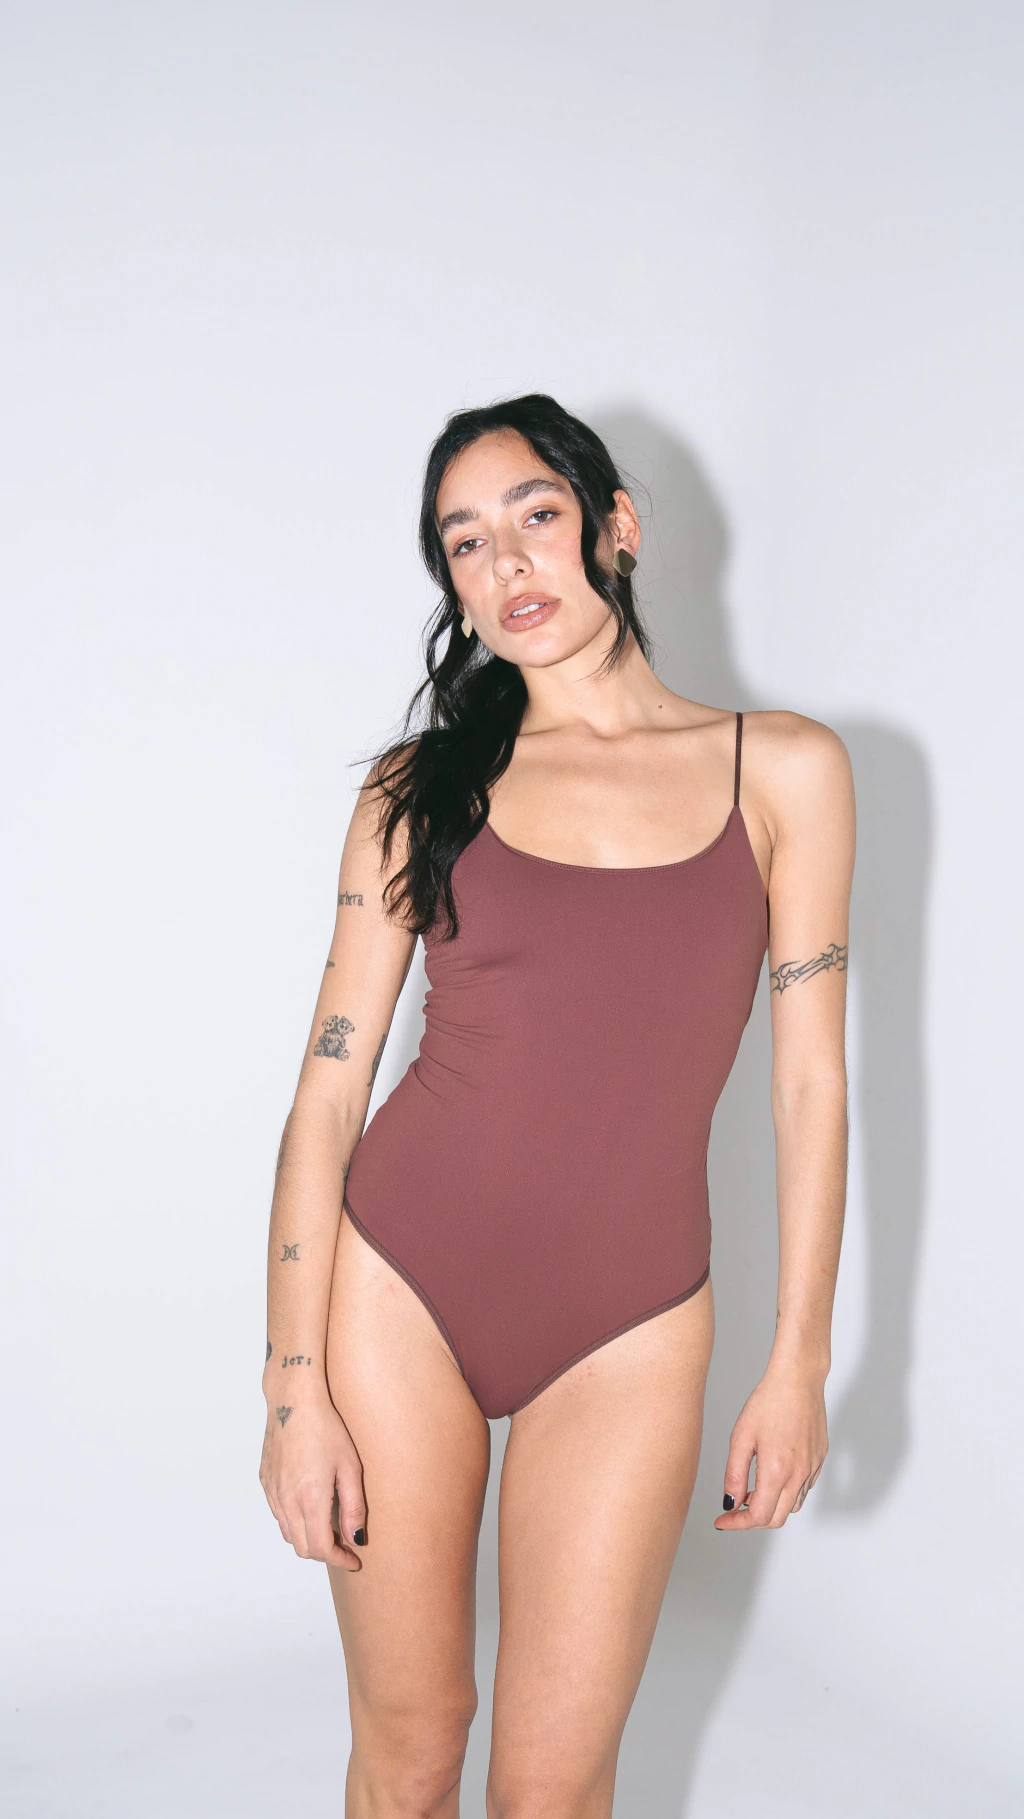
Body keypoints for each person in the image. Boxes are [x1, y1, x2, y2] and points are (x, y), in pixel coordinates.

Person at [259, 393, 853, 1818]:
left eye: (536, 515)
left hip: (632, 1319)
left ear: (615, 526)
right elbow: (328, 1093)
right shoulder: (420, 791)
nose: (508, 564)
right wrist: (293, 1391)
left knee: (554, 1782)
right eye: (466, 543)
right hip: (401, 1283)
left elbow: (811, 1079)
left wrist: (798, 1364)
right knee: (411, 1751)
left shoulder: (782, 768)